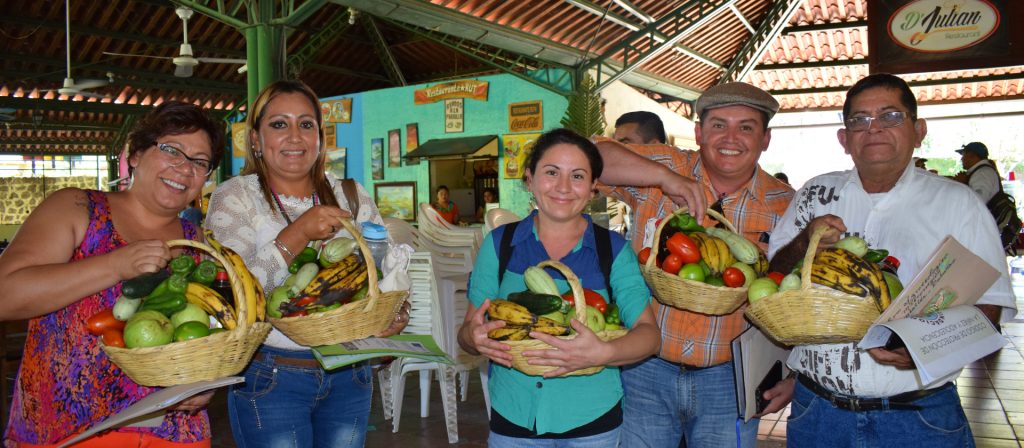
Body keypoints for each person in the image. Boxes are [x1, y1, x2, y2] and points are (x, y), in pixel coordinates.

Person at [767, 73, 1017, 448]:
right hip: (818, 413)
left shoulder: (958, 203)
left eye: (891, 116)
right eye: (859, 120)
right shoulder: (815, 193)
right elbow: (773, 281)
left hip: (918, 419)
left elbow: (989, 308)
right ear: (844, 139)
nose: (875, 129)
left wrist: (922, 349)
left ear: (918, 131)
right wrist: (806, 240)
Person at [0, 102, 225, 447]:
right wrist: (115, 265)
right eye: (170, 150)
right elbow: (5, 295)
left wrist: (204, 381)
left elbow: (205, 335)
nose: (184, 168)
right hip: (68, 429)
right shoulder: (77, 208)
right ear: (135, 154)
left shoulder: (199, 245)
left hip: (173, 431)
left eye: (199, 161)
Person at [204, 80, 410, 448]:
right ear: (255, 140)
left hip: (351, 372)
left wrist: (394, 311)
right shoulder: (235, 197)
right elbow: (232, 296)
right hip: (272, 376)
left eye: (306, 124)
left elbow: (384, 271)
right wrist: (296, 234)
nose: (294, 136)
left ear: (320, 137)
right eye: (279, 124)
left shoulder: (351, 193)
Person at [594, 84, 796, 448]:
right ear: (700, 132)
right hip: (645, 369)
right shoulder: (667, 164)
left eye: (746, 127)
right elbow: (591, 156)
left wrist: (792, 374)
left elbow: (796, 301)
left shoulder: (785, 204)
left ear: (765, 138)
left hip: (730, 379)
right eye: (718, 125)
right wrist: (665, 179)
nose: (731, 138)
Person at [458, 128, 661, 446]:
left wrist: (602, 352)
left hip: (592, 421)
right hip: (514, 417)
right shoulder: (500, 244)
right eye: (551, 172)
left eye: (578, 176)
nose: (564, 187)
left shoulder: (613, 250)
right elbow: (468, 331)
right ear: (530, 178)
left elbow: (649, 336)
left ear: (594, 187)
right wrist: (474, 338)